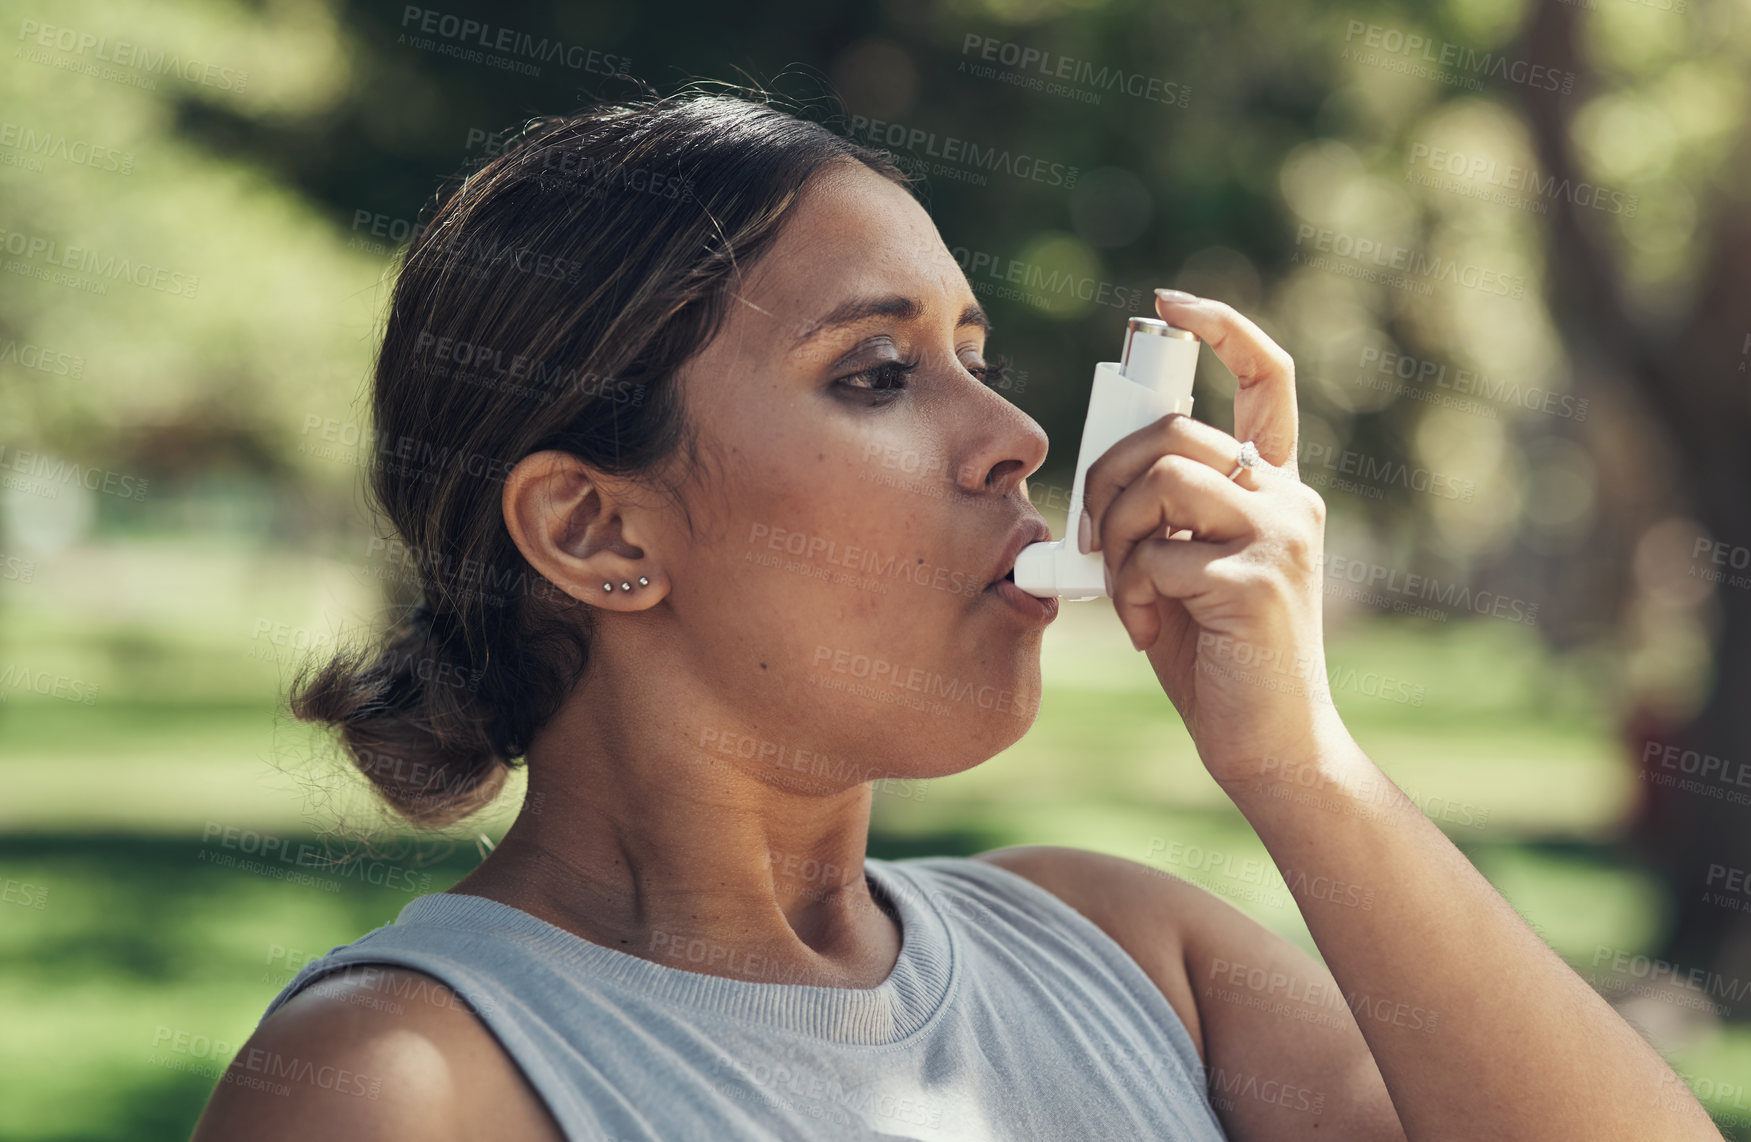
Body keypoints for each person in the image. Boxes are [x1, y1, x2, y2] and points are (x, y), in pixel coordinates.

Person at [189, 88, 1720, 1141]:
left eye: (974, 353)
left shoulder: (1137, 952)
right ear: (596, 529)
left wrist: (1304, 765)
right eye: (876, 372)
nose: (1016, 438)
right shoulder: (401, 1083)